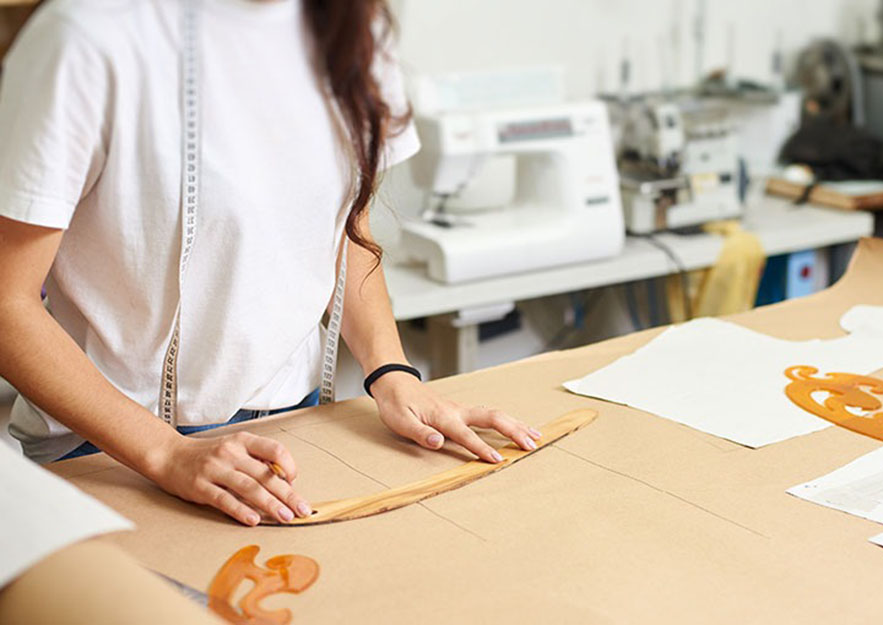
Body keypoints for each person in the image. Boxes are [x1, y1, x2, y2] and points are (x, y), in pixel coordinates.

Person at [0, 0, 541, 527]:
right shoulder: (88, 37)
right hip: (107, 449)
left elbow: (345, 231)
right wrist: (165, 454)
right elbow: (8, 304)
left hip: (290, 428)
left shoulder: (354, 29)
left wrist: (392, 371)